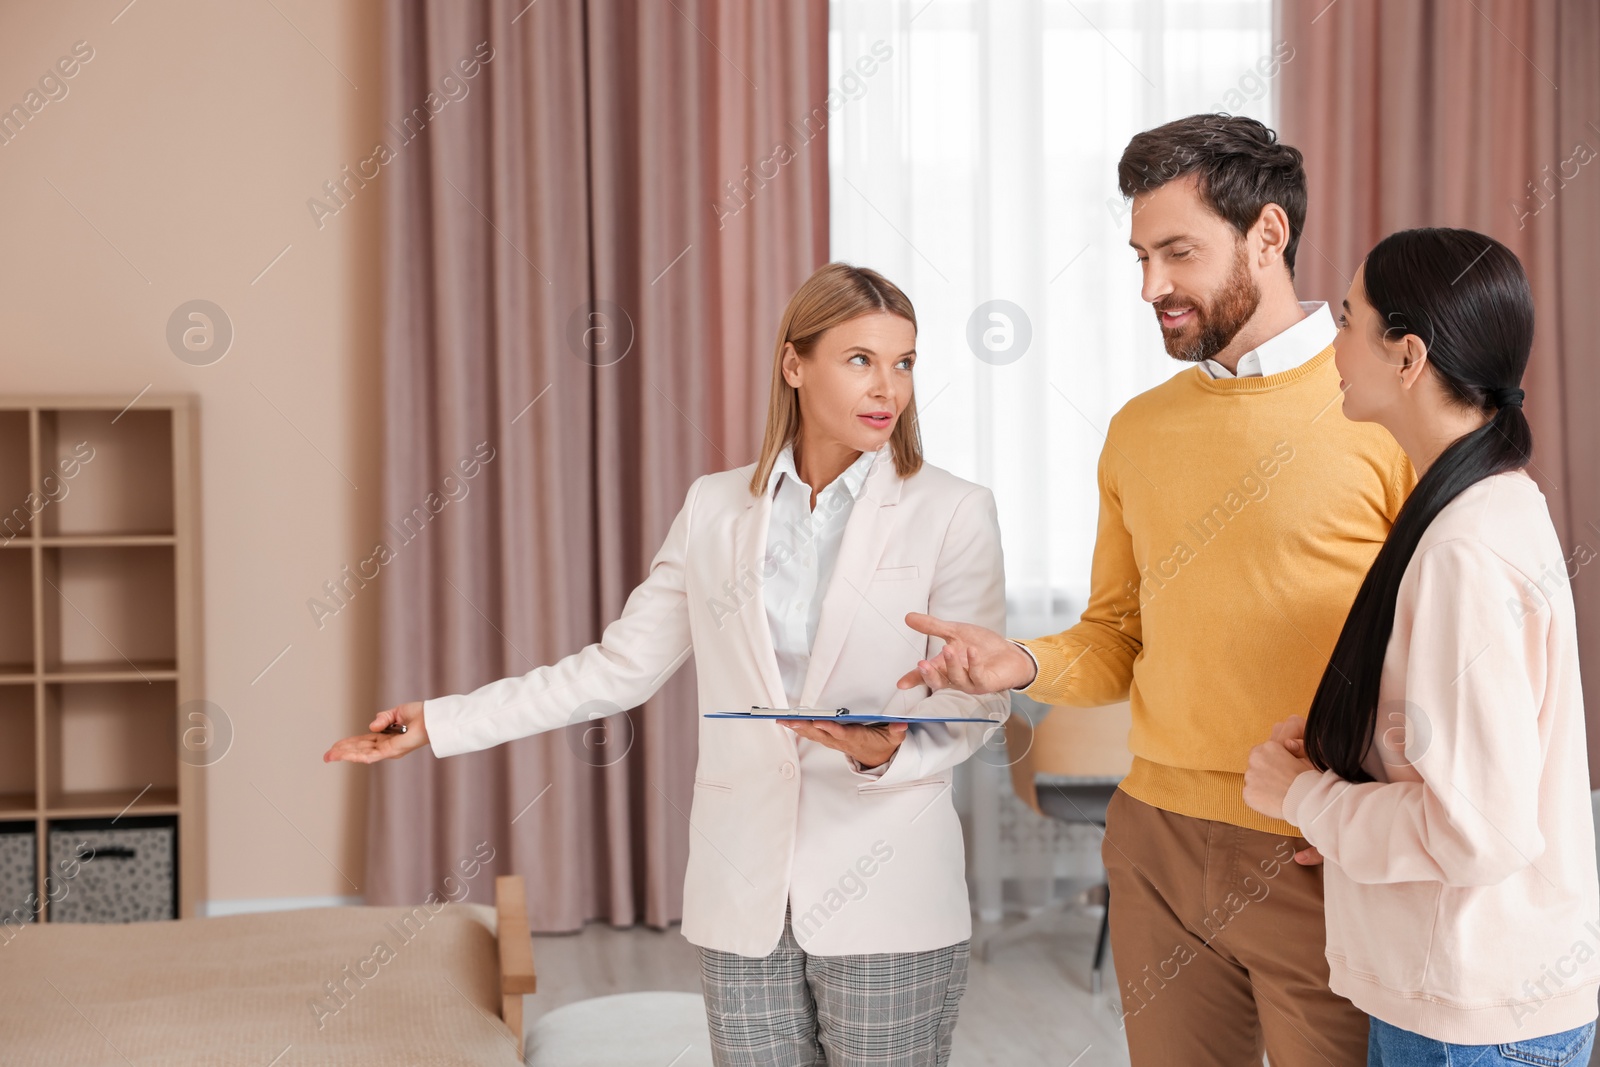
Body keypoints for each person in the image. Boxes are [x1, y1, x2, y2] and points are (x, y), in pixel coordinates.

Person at [325, 262, 1007, 1067]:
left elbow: (979, 702)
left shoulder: (953, 509)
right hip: (741, 889)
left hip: (890, 889)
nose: (886, 386)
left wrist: (885, 750)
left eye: (904, 362)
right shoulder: (716, 508)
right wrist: (439, 720)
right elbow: (617, 668)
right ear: (795, 365)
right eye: (860, 358)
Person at [891, 114, 1415, 1066]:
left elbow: (1444, 650)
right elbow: (1116, 636)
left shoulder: (1383, 412)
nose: (1151, 288)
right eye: (1139, 256)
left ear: (1268, 234)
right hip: (1155, 846)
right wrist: (1022, 660)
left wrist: (1375, 811)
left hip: (1316, 847)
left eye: (1177, 252)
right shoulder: (1139, 429)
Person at [1242, 228, 1600, 1066]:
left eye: (1345, 319)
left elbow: (1480, 831)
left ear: (1407, 355)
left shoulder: (1463, 547)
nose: (1329, 343)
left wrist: (1304, 798)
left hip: (1471, 1018)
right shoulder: (1487, 505)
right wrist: (1348, 757)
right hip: (1478, 1001)